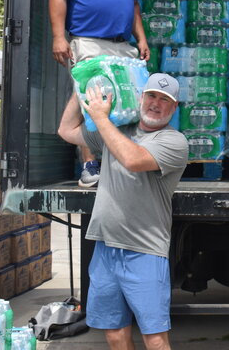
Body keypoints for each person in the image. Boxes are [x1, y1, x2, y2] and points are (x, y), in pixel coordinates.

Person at [57, 73, 189, 350]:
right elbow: (67, 131)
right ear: (141, 98)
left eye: (165, 100)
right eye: (151, 95)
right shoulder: (117, 130)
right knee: (114, 332)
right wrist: (79, 86)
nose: (156, 104)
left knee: (154, 337)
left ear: (174, 108)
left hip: (144, 250)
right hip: (106, 247)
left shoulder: (174, 142)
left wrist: (102, 119)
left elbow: (133, 159)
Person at [49, 0, 150, 187]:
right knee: (91, 99)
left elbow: (133, 4)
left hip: (122, 43)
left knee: (128, 99)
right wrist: (58, 37)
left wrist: (141, 39)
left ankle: (120, 159)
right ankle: (89, 163)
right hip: (89, 41)